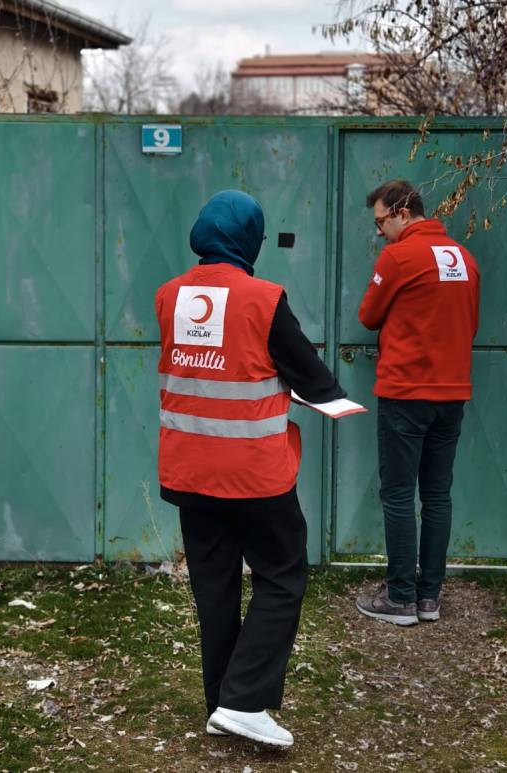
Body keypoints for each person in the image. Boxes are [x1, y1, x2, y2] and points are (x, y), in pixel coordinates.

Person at [155, 190, 345, 748]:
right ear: (248, 240)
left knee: (213, 589)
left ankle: (222, 703)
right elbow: (309, 376)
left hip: (189, 472)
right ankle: (243, 702)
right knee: (282, 577)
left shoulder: (169, 296)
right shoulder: (263, 299)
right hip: (254, 476)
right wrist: (330, 394)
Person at [355, 180, 481, 626]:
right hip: (452, 393)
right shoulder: (464, 259)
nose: (380, 233)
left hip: (406, 391)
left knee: (397, 496)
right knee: (437, 496)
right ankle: (429, 598)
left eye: (381, 222)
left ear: (403, 213)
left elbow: (368, 315)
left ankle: (400, 598)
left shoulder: (399, 257)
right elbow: (471, 323)